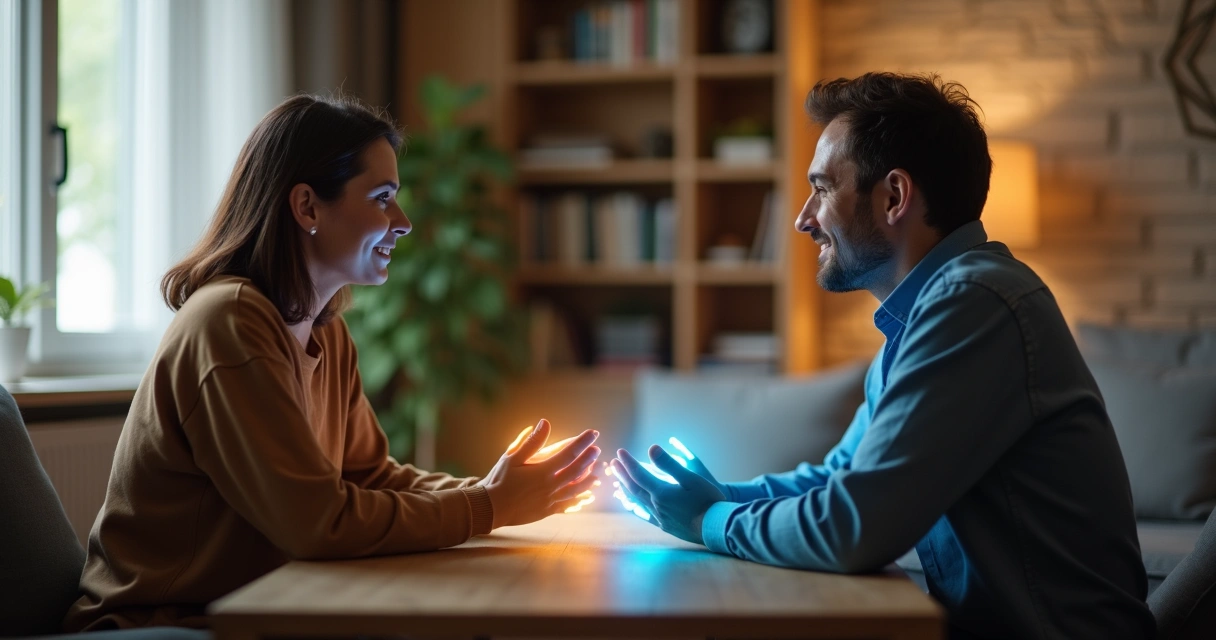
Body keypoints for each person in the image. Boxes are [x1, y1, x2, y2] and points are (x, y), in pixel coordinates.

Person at [611, 73, 1155, 640]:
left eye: (822, 189)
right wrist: (718, 497)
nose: (803, 218)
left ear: (893, 196)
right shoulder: (933, 310)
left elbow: (855, 525)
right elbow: (839, 478)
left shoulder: (975, 303)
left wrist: (708, 521)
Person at [64, 94, 600, 631]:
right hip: (158, 625)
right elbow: (317, 524)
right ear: (307, 207)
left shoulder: (327, 331)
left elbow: (371, 478)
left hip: (254, 608)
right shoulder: (229, 320)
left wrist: (492, 491)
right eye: (382, 197)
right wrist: (488, 506)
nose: (404, 221)